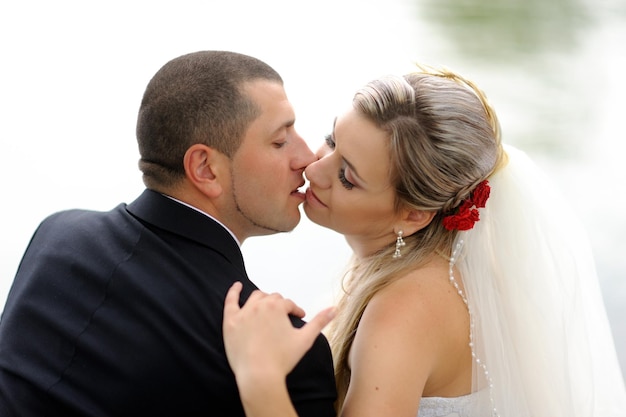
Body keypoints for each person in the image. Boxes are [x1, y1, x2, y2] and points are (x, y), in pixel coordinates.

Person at [222, 65, 626, 416]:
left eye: (348, 177)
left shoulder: (404, 309)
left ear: (413, 215)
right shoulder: (419, 267)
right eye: (332, 139)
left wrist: (260, 381)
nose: (315, 167)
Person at [0, 51, 337, 416]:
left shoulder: (56, 235)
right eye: (279, 140)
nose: (306, 157)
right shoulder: (287, 353)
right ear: (205, 168)